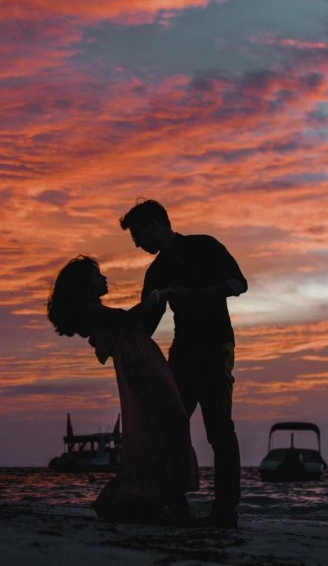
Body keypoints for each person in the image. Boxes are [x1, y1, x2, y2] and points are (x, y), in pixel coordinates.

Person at [119, 199, 247, 528]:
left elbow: (238, 284)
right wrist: (115, 328)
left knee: (219, 429)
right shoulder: (157, 271)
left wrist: (191, 294)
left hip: (216, 347)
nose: (136, 243)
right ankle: (175, 506)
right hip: (182, 352)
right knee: (169, 429)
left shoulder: (205, 246)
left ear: (154, 225)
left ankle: (225, 510)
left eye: (137, 234)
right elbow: (148, 322)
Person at [47, 256, 198, 524]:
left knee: (165, 424)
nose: (103, 278)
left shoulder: (94, 311)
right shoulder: (91, 311)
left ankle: (169, 501)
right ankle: (162, 501)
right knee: (167, 423)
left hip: (143, 360)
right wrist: (155, 298)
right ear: (85, 285)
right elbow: (130, 318)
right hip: (140, 363)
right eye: (97, 275)